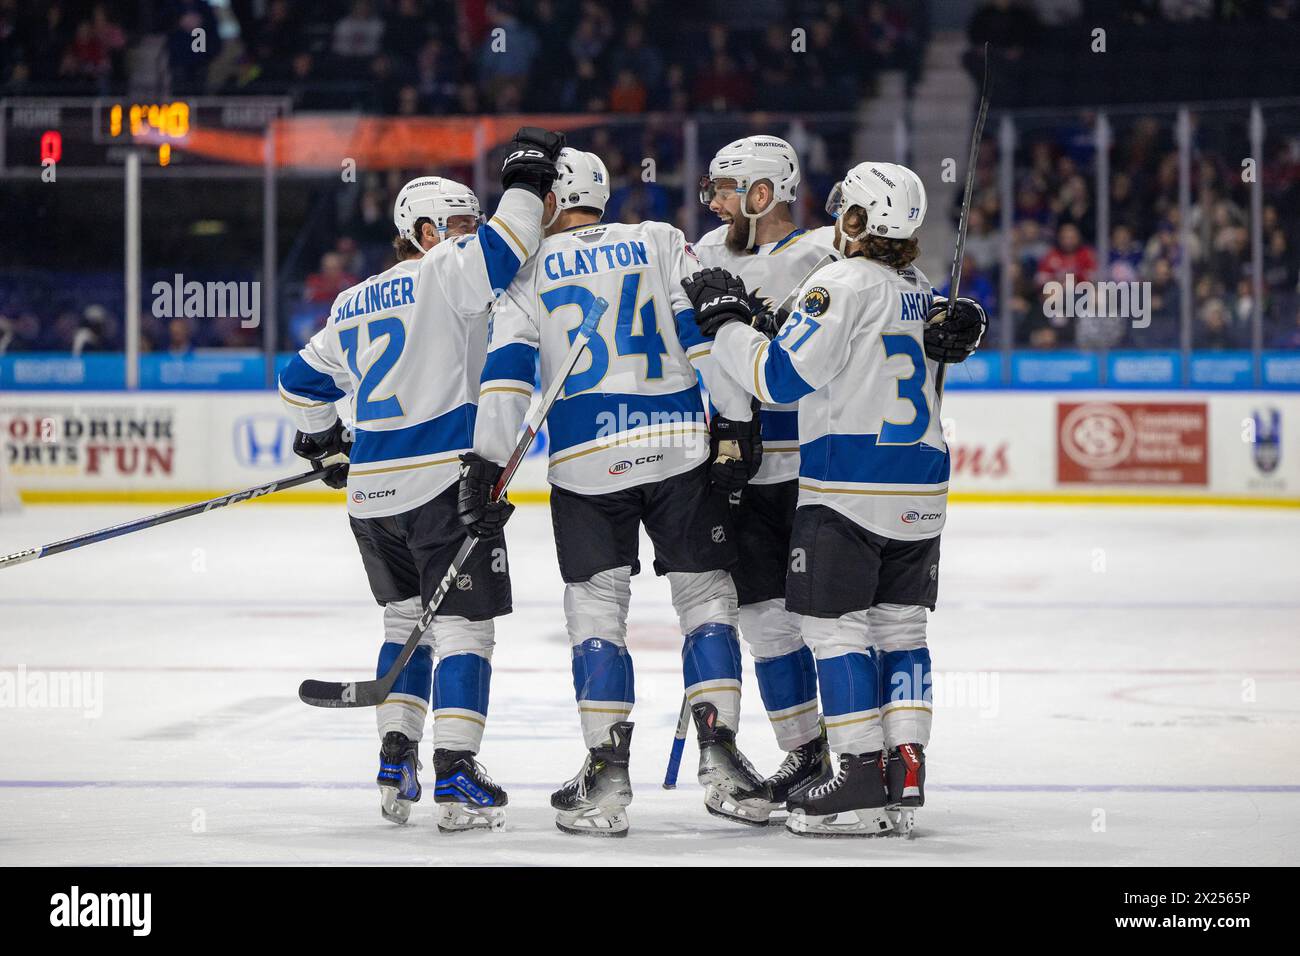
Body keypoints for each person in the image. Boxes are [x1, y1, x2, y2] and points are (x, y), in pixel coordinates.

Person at [463, 147, 769, 837]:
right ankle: (722, 760)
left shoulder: (523, 272)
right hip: (676, 445)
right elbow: (706, 339)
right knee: (707, 598)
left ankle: (606, 776)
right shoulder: (659, 241)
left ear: (549, 201)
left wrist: (487, 466)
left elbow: (508, 381)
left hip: (584, 458)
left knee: (597, 610)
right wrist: (735, 426)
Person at [681, 161, 986, 837]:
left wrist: (727, 325)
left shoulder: (839, 281)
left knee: (832, 629)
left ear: (855, 220)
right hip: (922, 488)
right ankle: (906, 767)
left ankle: (856, 777)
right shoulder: (920, 287)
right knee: (903, 632)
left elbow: (778, 381)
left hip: (847, 489)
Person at [277, 128, 565, 832]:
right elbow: (510, 245)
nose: (473, 237)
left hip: (371, 495)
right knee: (466, 630)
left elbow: (297, 381)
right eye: (462, 226)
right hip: (441, 484)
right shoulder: (447, 270)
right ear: (427, 229)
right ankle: (456, 773)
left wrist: (324, 440)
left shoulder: (351, 301)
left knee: (404, 622)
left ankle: (394, 758)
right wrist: (526, 177)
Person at [691, 135, 840, 823]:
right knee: (765, 621)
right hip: (735, 472)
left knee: (837, 622)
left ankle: (870, 759)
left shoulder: (823, 256)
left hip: (811, 470)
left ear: (762, 193)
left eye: (727, 188)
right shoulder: (704, 254)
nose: (715, 199)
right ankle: (806, 752)